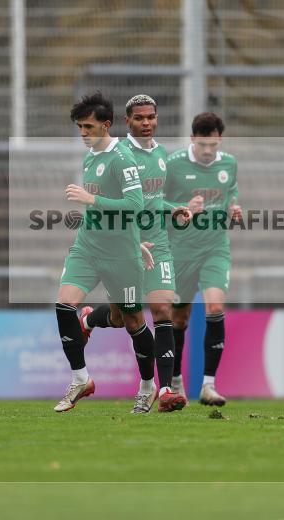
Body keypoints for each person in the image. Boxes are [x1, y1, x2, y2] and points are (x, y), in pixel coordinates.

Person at [81, 94, 189, 413]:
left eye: (151, 117)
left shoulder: (161, 154)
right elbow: (111, 205)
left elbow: (151, 200)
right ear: (127, 121)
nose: (146, 123)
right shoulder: (117, 155)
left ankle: (164, 389)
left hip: (158, 244)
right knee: (123, 318)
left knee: (162, 308)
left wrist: (173, 209)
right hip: (123, 246)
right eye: (139, 118)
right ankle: (89, 318)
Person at [53, 92, 155, 414]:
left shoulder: (122, 159)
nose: (83, 133)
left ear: (106, 125)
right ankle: (80, 378)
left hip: (120, 255)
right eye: (79, 127)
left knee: (131, 319)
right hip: (88, 246)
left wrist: (94, 202)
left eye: (88, 127)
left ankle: (148, 386)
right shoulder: (90, 157)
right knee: (63, 303)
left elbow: (136, 206)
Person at [163, 112, 240, 407]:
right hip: (180, 252)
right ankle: (176, 382)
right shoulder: (173, 165)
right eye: (203, 145)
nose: (209, 151)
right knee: (178, 318)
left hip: (215, 249)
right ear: (193, 139)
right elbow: (154, 202)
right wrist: (182, 207)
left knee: (216, 306)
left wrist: (234, 206)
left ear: (219, 140)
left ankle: (209, 385)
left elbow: (231, 190)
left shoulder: (229, 164)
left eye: (214, 145)